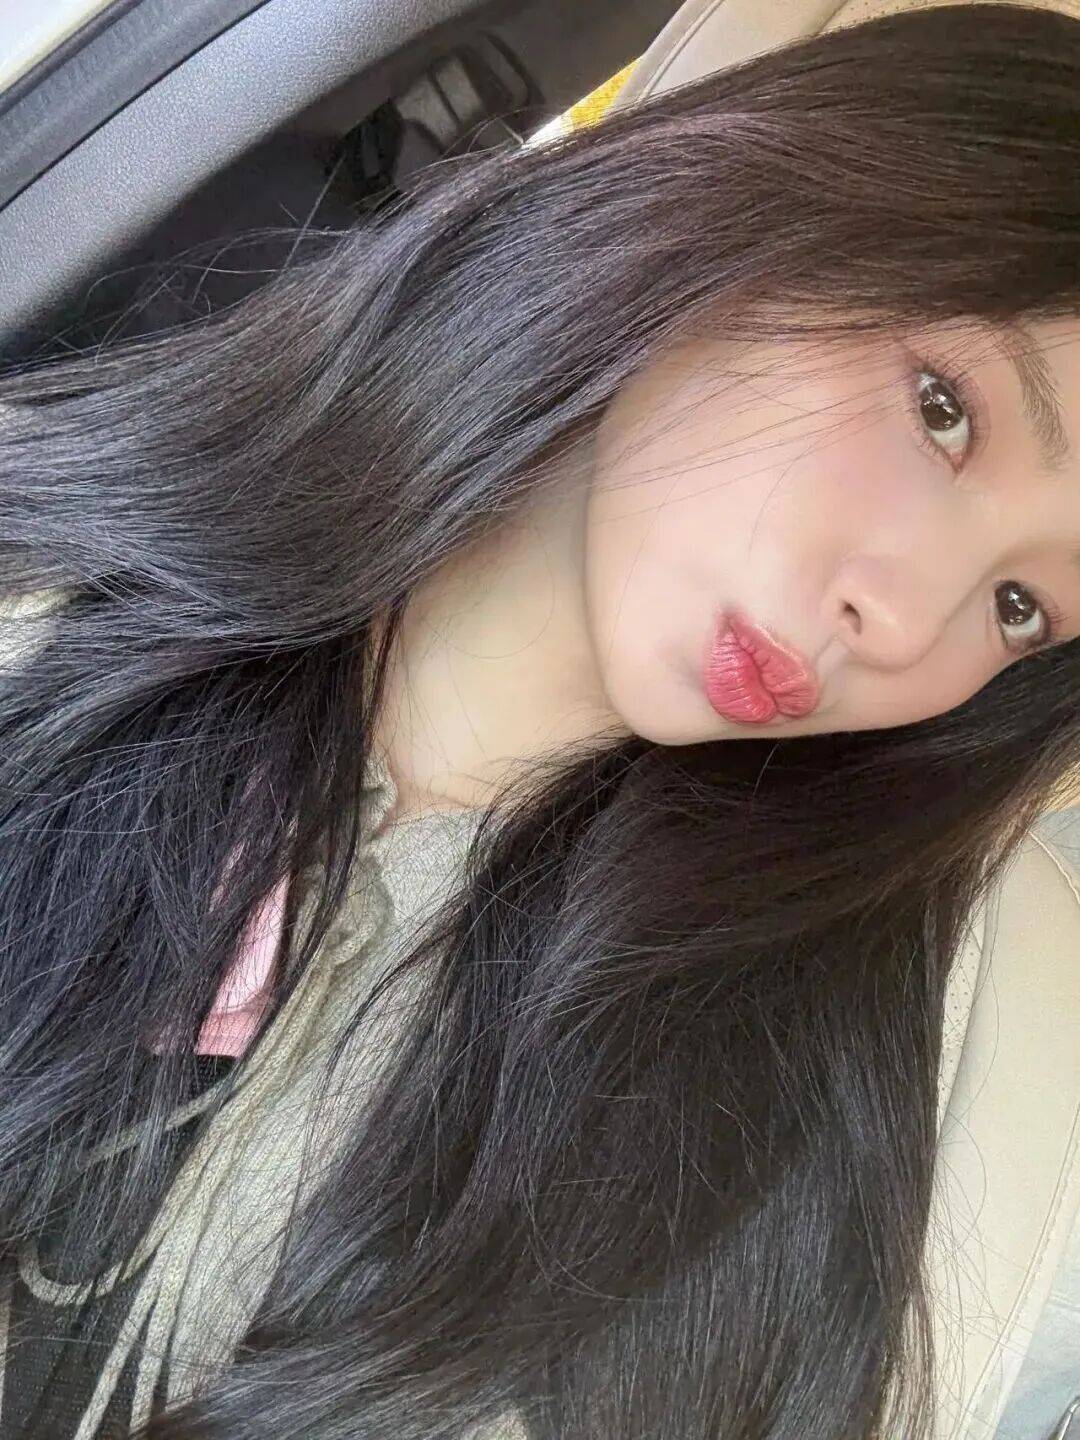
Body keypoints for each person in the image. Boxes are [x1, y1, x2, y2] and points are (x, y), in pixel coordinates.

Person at [0, 3, 1078, 1436]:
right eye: (945, 411)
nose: (904, 617)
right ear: (766, 205)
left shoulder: (775, 1114)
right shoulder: (62, 590)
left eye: (1021, 607)